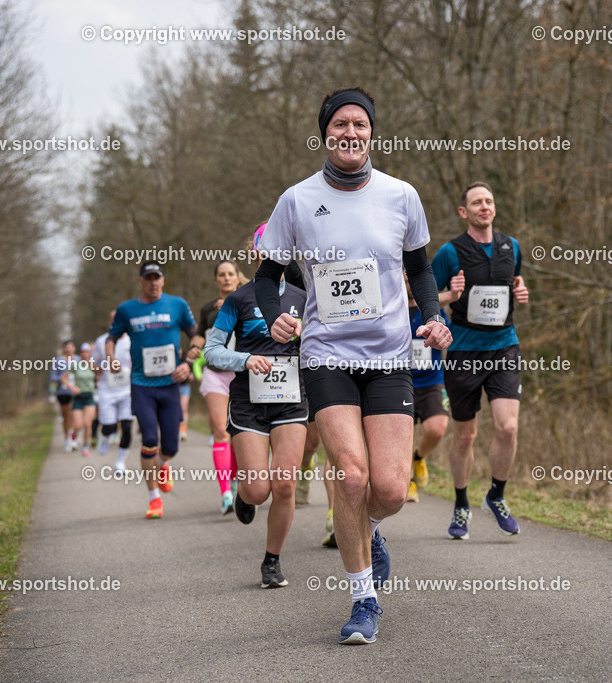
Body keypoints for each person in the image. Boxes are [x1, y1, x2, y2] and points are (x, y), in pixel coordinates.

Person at [255, 87, 451, 644]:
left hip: (389, 356)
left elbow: (420, 272)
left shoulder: (401, 196)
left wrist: (434, 318)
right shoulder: (296, 200)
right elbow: (267, 279)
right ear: (325, 134)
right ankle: (363, 598)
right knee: (352, 475)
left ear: (371, 133)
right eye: (340, 123)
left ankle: (367, 525)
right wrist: (275, 318)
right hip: (326, 356)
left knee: (388, 489)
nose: (350, 132)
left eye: (359, 124)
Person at [205, 224, 308, 588]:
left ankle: (272, 560)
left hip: (292, 400)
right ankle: (243, 496)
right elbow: (211, 350)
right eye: (264, 249)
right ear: (255, 254)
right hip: (248, 401)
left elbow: (326, 342)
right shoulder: (239, 299)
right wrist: (245, 359)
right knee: (258, 490)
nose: (271, 255)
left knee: (283, 485)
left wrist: (304, 334)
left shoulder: (302, 296)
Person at [432, 181, 529, 540]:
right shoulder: (450, 252)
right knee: (465, 436)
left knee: (508, 426)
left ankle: (496, 495)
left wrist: (520, 292)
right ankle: (461, 504)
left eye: (489, 201)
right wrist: (449, 294)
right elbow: (418, 300)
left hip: (504, 347)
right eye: (476, 202)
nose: (484, 207)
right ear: (464, 212)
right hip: (464, 352)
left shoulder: (511, 246)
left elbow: (514, 285)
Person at [106, 261, 197, 520]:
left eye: (157, 278)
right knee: (148, 441)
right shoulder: (127, 310)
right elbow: (112, 337)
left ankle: (164, 465)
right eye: (148, 279)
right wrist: (110, 356)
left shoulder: (177, 305)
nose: (153, 283)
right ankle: (154, 499)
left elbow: (196, 335)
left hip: (170, 385)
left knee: (170, 446)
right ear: (140, 282)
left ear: (163, 281)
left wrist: (188, 364)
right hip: (141, 384)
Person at [187, 260, 243, 515]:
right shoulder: (208, 308)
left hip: (242, 374)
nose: (226, 278)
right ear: (216, 280)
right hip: (215, 373)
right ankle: (225, 494)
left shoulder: (248, 299)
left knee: (239, 432)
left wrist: (233, 307)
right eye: (222, 275)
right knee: (221, 430)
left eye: (230, 274)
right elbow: (199, 334)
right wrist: (193, 350)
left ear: (237, 277)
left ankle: (235, 480)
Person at [405, 270, 461, 502]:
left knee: (437, 429)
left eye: (412, 279)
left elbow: (447, 334)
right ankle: (407, 482)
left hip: (431, 379)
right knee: (400, 437)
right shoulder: (392, 308)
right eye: (405, 279)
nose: (409, 283)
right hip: (401, 381)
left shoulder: (431, 308)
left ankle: (418, 458)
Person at [94, 311, 134, 475]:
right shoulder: (101, 341)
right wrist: (100, 369)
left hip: (127, 389)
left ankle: (120, 463)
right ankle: (105, 437)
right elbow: (93, 363)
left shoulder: (132, 340)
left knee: (127, 426)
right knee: (109, 426)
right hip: (107, 390)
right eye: (113, 319)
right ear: (110, 322)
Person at [62, 342, 97, 457]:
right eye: (83, 352)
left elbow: (102, 374)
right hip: (78, 397)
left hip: (89, 396)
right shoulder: (75, 365)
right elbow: (64, 378)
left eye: (87, 352)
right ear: (80, 353)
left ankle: (85, 447)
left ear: (90, 353)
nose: (85, 354)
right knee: (78, 425)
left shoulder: (93, 365)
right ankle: (74, 435)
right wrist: (72, 387)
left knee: (87, 424)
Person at [52, 341, 78, 451]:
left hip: (75, 391)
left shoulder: (78, 359)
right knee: (66, 416)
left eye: (71, 347)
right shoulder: (58, 360)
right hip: (63, 392)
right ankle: (66, 438)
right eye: (67, 347)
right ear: (64, 349)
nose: (69, 349)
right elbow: (53, 376)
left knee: (73, 414)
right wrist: (62, 379)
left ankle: (72, 437)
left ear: (74, 348)